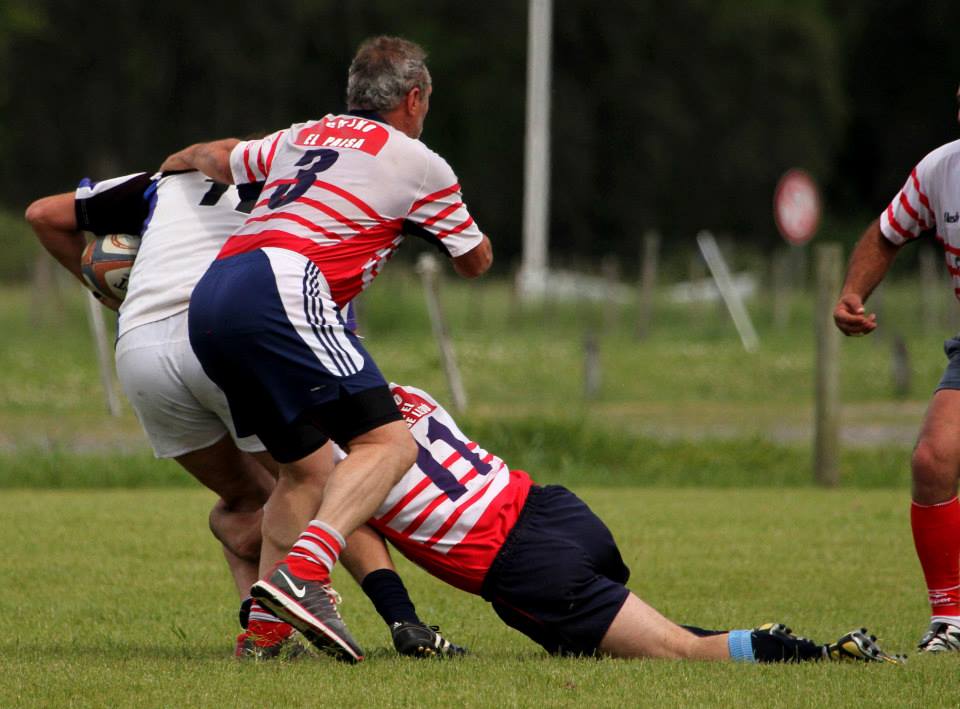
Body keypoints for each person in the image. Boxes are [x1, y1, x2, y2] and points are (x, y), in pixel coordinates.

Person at [24, 170, 466, 660]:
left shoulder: (167, 179)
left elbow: (43, 214)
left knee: (245, 501)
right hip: (225, 332)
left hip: (139, 347)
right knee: (318, 481)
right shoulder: (305, 190)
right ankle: (399, 619)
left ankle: (260, 635)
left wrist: (107, 296)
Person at [159, 36, 492, 661]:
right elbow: (474, 262)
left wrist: (174, 160)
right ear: (414, 99)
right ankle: (307, 572)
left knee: (304, 470)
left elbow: (219, 156)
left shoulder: (301, 135)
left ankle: (265, 630)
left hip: (213, 296)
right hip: (284, 285)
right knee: (389, 442)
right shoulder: (420, 161)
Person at [339, 381, 903, 664]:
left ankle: (816, 654)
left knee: (676, 651)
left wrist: (400, 618)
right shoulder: (407, 393)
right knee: (597, 641)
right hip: (558, 510)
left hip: (524, 563)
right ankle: (739, 639)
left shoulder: (337, 456)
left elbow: (348, 527)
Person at [833, 84, 960, 653]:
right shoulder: (941, 170)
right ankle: (951, 621)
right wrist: (851, 293)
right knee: (933, 459)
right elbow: (887, 234)